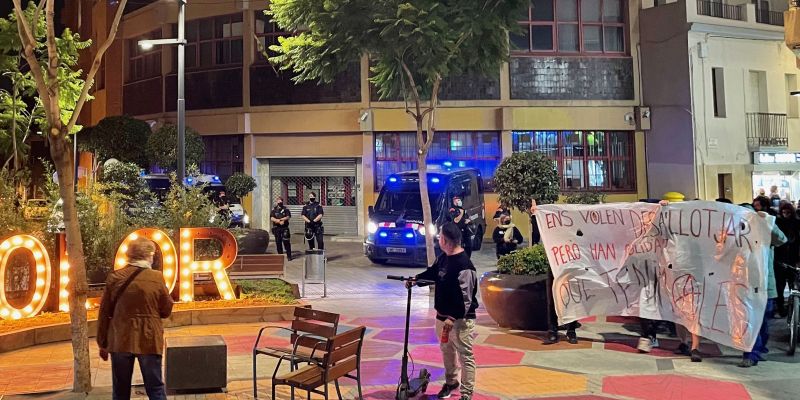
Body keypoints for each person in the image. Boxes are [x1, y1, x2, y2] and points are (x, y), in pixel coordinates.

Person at [97, 237, 174, 400]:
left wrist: (102, 343)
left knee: (120, 390)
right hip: (149, 339)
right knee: (155, 388)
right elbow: (166, 309)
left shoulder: (115, 277)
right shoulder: (157, 277)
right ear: (149, 256)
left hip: (120, 339)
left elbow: (104, 313)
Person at [408, 223, 478, 400]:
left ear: (446, 241)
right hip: (442, 317)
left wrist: (452, 318)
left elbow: (467, 299)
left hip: (460, 321)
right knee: (447, 351)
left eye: (440, 236)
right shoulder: (444, 257)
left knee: (465, 355)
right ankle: (451, 382)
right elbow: (433, 273)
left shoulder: (464, 265)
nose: (438, 238)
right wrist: (416, 280)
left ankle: (466, 393)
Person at [740, 205, 787, 368]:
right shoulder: (736, 234)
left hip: (765, 285)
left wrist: (768, 221)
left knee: (763, 321)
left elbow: (782, 239)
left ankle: (759, 349)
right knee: (749, 320)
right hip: (743, 284)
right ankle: (750, 353)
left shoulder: (765, 231)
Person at [775, 201, 799, 318]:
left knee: (792, 286)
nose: (785, 214)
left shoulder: (796, 223)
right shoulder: (778, 222)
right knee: (781, 286)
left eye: (787, 212)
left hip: (791, 258)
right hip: (782, 258)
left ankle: (792, 309)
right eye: (783, 212)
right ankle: (782, 309)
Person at [270, 197, 293, 261]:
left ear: (282, 201)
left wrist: (282, 220)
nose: (279, 202)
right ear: (276, 201)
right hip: (277, 228)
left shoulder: (285, 209)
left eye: (281, 201)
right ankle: (280, 255)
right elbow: (271, 218)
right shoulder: (274, 209)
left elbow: (288, 216)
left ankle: (289, 256)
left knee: (286, 241)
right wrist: (278, 221)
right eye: (278, 201)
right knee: (278, 242)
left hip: (284, 227)